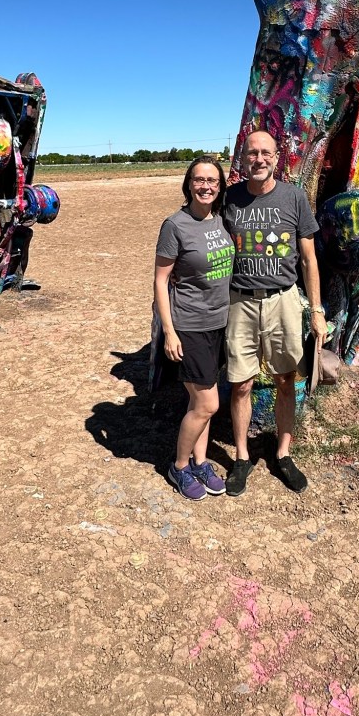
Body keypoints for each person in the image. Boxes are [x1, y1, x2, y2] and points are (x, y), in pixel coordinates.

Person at [223, 130, 328, 496]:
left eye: (266, 153)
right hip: (240, 302)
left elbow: (308, 258)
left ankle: (283, 454)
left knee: (286, 379)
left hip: (283, 299)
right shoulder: (229, 199)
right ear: (243, 158)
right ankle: (241, 457)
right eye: (252, 153)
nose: (259, 159)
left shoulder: (293, 197)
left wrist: (316, 310)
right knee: (240, 383)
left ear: (277, 157)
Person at [154, 156, 234, 500]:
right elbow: (160, 281)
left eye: (212, 181)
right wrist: (169, 332)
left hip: (219, 323)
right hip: (189, 325)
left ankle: (201, 461)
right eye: (199, 180)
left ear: (220, 187)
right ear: (189, 184)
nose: (206, 186)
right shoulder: (175, 225)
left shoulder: (219, 221)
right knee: (208, 404)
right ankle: (180, 466)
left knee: (199, 401)